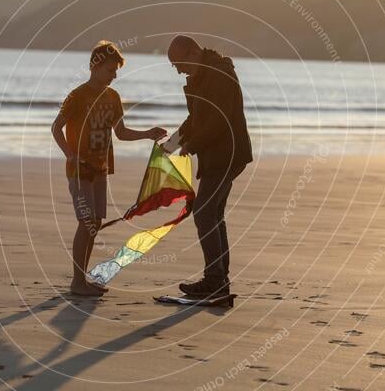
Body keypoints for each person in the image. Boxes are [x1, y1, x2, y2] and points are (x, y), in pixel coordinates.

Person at [52, 41, 166, 296]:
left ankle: (82, 280)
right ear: (95, 66)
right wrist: (69, 155)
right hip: (80, 170)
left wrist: (149, 134)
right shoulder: (77, 96)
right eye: (110, 70)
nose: (114, 76)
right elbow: (55, 127)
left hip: (101, 169)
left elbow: (121, 132)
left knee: (95, 222)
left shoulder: (113, 97)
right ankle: (77, 282)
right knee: (86, 222)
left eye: (116, 72)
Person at [167, 35, 253, 298]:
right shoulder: (201, 77)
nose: (178, 70)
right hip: (219, 155)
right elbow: (197, 117)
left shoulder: (218, 74)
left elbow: (218, 118)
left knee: (204, 213)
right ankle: (219, 280)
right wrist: (171, 144)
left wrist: (190, 146)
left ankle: (215, 281)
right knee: (213, 214)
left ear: (193, 53)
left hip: (226, 155)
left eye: (179, 63)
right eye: (174, 66)